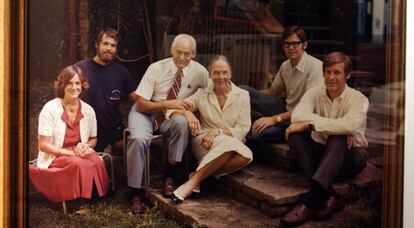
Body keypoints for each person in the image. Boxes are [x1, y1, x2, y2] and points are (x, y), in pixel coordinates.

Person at [280, 52, 369, 226]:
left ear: (347, 76)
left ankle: (310, 201)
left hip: (350, 160)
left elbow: (348, 126)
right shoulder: (315, 93)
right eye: (327, 72)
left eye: (337, 73)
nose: (331, 77)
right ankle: (330, 196)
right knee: (295, 134)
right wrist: (332, 125)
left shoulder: (359, 99)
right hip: (323, 157)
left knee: (338, 137)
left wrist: (311, 124)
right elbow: (297, 116)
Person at [127, 34, 209, 213]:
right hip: (147, 112)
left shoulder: (201, 73)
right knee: (139, 139)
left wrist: (188, 113)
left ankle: (170, 175)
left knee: (181, 123)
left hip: (172, 116)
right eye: (178, 52)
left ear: (194, 54)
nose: (181, 57)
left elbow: (207, 96)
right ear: (172, 50)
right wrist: (168, 103)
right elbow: (141, 104)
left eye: (186, 54)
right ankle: (136, 192)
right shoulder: (156, 68)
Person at [170, 55, 253, 204]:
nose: (220, 77)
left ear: (230, 74)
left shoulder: (242, 95)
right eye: (216, 72)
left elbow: (243, 128)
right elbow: (174, 108)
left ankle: (195, 177)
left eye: (224, 72)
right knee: (230, 147)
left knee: (246, 155)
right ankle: (190, 185)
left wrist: (217, 132)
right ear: (210, 75)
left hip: (230, 141)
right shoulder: (202, 94)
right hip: (204, 142)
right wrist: (188, 113)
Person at [29, 65, 109, 203]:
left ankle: (93, 195)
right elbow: (43, 145)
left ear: (83, 85)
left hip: (79, 152)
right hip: (55, 155)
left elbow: (93, 139)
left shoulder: (88, 110)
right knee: (77, 163)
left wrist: (85, 146)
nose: (74, 87)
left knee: (96, 160)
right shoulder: (50, 108)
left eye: (77, 83)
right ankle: (78, 198)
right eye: (69, 83)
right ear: (62, 86)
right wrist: (71, 153)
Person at [240, 26, 323, 145]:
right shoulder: (286, 65)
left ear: (304, 45)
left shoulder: (315, 67)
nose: (290, 48)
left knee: (257, 134)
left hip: (302, 121)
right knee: (243, 91)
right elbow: (272, 92)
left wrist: (274, 119)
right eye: (287, 44)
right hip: (286, 112)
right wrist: (240, 96)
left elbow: (307, 109)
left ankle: (282, 130)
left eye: (295, 44)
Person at [76, 27, 137, 154]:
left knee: (136, 150)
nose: (109, 48)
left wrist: (157, 107)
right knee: (89, 162)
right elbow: (62, 91)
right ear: (97, 45)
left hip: (115, 129)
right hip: (90, 131)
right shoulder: (80, 69)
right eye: (105, 44)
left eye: (113, 45)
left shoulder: (121, 72)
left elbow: (137, 99)